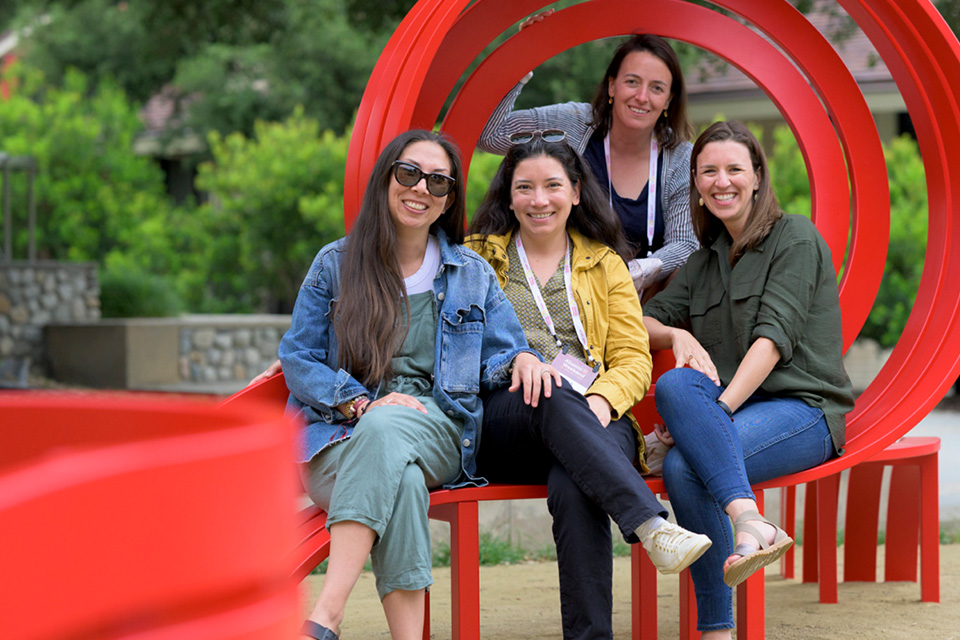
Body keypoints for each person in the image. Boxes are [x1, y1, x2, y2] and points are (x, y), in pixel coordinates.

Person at [280, 130, 545, 640]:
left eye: (439, 182)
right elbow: (298, 357)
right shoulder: (335, 265)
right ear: (386, 179)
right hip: (337, 439)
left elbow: (505, 351)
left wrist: (524, 361)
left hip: (438, 428)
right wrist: (358, 402)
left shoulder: (471, 273)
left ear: (449, 200)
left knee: (388, 429)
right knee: (397, 479)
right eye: (409, 173)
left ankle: (325, 614)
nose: (421, 188)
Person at [466, 134, 711, 640]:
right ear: (508, 197)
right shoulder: (474, 261)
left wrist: (601, 399)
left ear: (576, 192)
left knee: (575, 482)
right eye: (525, 188)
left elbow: (631, 358)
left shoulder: (606, 264)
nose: (540, 200)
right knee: (551, 389)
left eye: (553, 185)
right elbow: (456, 346)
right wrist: (518, 363)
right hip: (507, 421)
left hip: (596, 419)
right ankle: (649, 524)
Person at [641, 121, 855, 639]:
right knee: (675, 387)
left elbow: (772, 341)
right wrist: (675, 335)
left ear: (757, 177)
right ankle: (751, 523)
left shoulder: (795, 237)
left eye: (734, 169)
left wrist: (710, 418)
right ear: (695, 183)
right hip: (735, 412)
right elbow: (637, 322)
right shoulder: (703, 261)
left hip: (803, 411)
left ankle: (717, 628)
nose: (722, 181)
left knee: (684, 466)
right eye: (708, 171)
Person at [478, 19, 698, 300]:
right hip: (564, 292)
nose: (642, 97)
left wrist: (635, 272)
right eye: (632, 82)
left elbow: (685, 244)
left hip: (642, 299)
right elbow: (490, 134)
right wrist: (522, 61)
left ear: (668, 100)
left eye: (656, 88)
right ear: (612, 86)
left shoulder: (680, 156)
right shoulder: (573, 124)